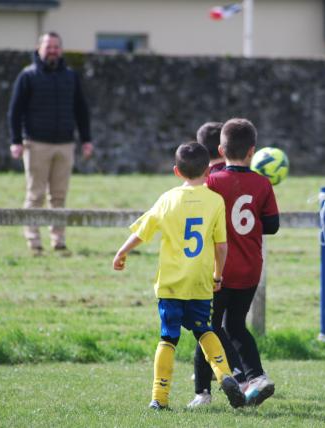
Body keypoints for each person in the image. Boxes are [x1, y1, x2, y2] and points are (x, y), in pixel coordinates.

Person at [112, 142, 246, 410]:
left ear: (177, 171)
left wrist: (121, 252)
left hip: (171, 284)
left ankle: (159, 399)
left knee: (168, 337)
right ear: (208, 170)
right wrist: (217, 275)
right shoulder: (215, 201)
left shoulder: (167, 199)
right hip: (199, 282)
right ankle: (224, 375)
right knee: (205, 330)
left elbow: (143, 232)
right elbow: (221, 246)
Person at [190, 118, 280, 408]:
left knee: (208, 327)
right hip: (250, 268)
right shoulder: (263, 183)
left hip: (220, 270)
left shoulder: (212, 183)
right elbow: (272, 225)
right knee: (236, 326)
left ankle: (205, 392)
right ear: (252, 151)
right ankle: (256, 376)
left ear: (219, 148)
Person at [7, 31, 93, 256]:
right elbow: (15, 112)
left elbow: (81, 110)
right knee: (35, 194)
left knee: (59, 196)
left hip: (65, 144)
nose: (52, 50)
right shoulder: (28, 76)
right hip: (36, 143)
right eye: (48, 47)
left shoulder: (70, 76)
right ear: (39, 49)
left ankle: (58, 240)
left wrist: (86, 139)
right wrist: (16, 140)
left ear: (61, 50)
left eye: (56, 47)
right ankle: (34, 241)